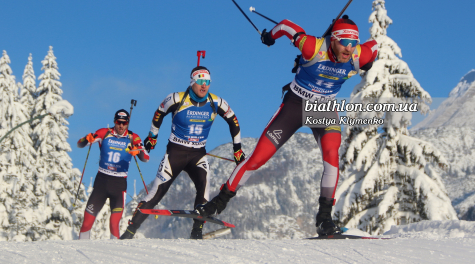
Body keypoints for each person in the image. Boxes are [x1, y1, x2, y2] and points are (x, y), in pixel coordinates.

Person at [197, 16, 378, 236]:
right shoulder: (312, 47)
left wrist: (370, 62)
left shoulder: (359, 54)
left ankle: (324, 218)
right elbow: (285, 25)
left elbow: (375, 46)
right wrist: (269, 37)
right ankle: (219, 201)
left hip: (323, 110)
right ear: (332, 40)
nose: (349, 49)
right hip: (295, 106)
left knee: (331, 157)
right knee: (258, 158)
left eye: (353, 44)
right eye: (344, 43)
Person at [120, 66, 245, 240]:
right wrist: (152, 137)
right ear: (192, 82)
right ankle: (129, 232)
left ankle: (197, 232)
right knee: (157, 192)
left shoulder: (216, 102)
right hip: (176, 153)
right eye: (200, 82)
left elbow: (234, 121)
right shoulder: (177, 98)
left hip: (197, 155)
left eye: (207, 82)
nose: (204, 86)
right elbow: (159, 113)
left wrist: (237, 149)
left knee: (204, 186)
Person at [77, 109, 149, 239]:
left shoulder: (133, 137)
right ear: (114, 122)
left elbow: (146, 158)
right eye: (118, 122)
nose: (121, 125)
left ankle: (114, 255)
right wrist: (86, 138)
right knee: (87, 223)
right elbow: (80, 144)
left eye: (124, 122)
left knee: (114, 224)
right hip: (101, 184)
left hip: (119, 185)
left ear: (128, 123)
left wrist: (137, 151)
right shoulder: (104, 133)